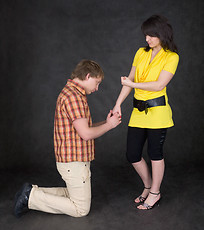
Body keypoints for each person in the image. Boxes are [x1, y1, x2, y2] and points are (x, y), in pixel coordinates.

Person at [14, 59, 121, 218]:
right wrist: (110, 126)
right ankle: (31, 197)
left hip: (73, 160)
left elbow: (83, 127)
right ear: (87, 76)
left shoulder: (73, 93)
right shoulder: (74, 97)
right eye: (97, 83)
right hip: (74, 161)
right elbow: (85, 134)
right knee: (80, 209)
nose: (97, 88)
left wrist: (106, 121)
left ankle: (30, 191)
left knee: (74, 195)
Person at [113, 15, 179, 210]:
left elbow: (159, 85)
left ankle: (155, 193)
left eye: (151, 35)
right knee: (132, 154)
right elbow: (130, 79)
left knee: (154, 153)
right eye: (146, 35)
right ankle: (148, 186)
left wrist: (131, 83)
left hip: (158, 112)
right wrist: (117, 104)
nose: (147, 39)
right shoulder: (140, 53)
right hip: (138, 112)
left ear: (162, 34)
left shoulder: (172, 56)